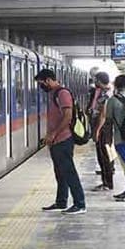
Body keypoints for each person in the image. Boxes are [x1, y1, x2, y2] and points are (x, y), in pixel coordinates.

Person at [35, 68, 86, 215]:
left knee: (69, 172)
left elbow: (68, 116)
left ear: (48, 80)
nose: (41, 86)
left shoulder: (62, 93)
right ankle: (61, 201)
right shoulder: (53, 93)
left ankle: (80, 204)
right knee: (60, 173)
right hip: (56, 140)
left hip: (63, 139)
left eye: (41, 83)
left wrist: (54, 134)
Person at [99, 74, 125, 202]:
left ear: (116, 85)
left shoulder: (112, 101)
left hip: (121, 138)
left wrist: (108, 139)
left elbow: (108, 120)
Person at [89, 72, 114, 191]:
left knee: (104, 155)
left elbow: (103, 114)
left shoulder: (107, 94)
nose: (94, 82)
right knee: (102, 155)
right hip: (102, 126)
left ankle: (107, 183)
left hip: (104, 127)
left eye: (96, 80)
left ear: (99, 81)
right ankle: (106, 181)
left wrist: (97, 130)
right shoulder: (101, 91)